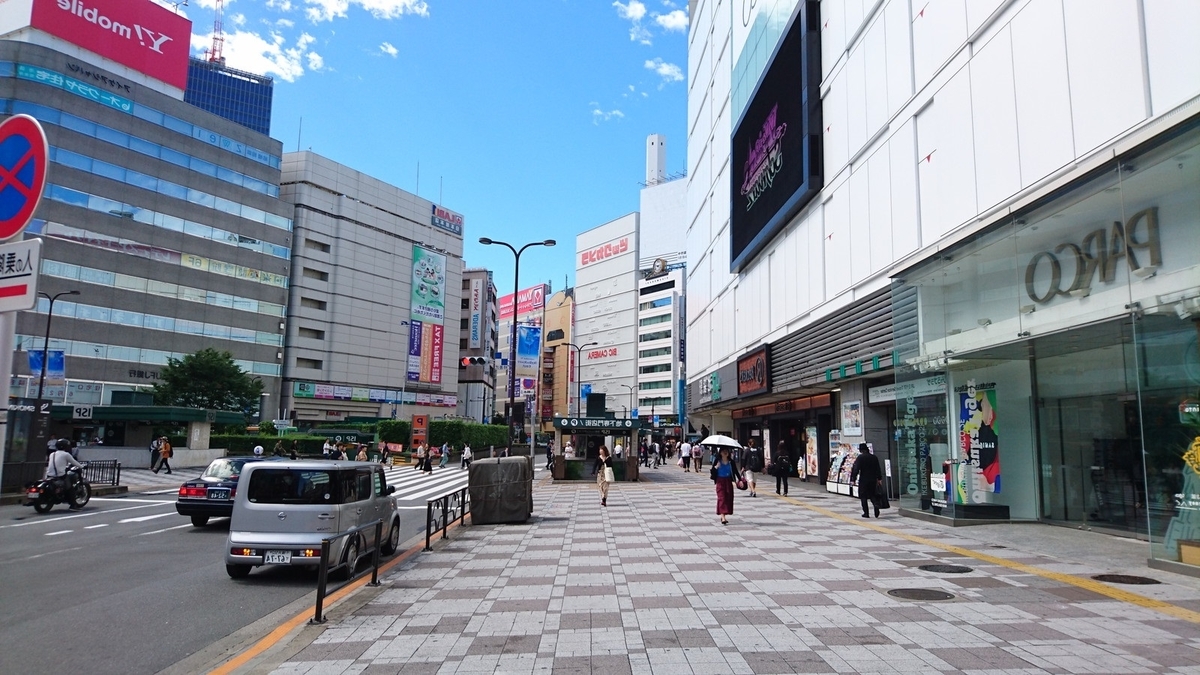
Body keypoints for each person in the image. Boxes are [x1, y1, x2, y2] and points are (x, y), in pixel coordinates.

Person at [46, 439, 85, 508]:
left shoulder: (52, 454)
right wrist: (82, 466)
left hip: (49, 475)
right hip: (60, 475)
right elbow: (74, 462)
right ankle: (73, 505)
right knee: (70, 488)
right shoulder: (66, 454)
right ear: (65, 446)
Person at [850, 443, 884, 518]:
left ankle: (866, 513)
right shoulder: (874, 457)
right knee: (872, 494)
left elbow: (856, 469)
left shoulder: (860, 458)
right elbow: (878, 469)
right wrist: (879, 478)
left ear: (861, 450)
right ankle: (876, 504)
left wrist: (853, 479)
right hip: (873, 479)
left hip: (863, 479)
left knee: (863, 496)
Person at [711, 447, 742, 525]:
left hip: (728, 481)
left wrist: (740, 480)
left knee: (728, 498)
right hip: (720, 481)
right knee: (722, 498)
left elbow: (735, 471)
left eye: (727, 451)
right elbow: (712, 472)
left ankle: (723, 515)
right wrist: (716, 467)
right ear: (720, 453)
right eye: (723, 451)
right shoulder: (717, 461)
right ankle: (723, 517)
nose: (725, 453)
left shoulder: (731, 462)